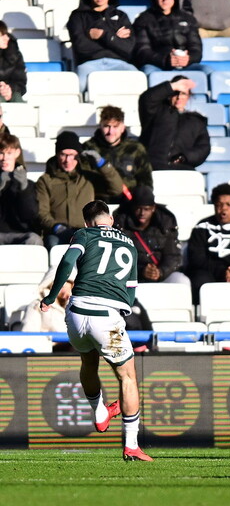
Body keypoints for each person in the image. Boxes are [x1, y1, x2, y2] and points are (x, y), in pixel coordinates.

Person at [40, 200, 152, 461]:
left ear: (87, 222)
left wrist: (51, 297)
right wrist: (122, 312)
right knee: (127, 378)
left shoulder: (84, 234)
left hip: (76, 313)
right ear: (110, 219)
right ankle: (131, 444)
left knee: (88, 362)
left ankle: (99, 410)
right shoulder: (129, 242)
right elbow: (131, 289)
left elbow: (67, 261)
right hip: (107, 318)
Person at [37, 131, 124, 249]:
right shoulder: (45, 180)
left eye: (72, 155)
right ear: (57, 155)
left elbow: (116, 188)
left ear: (78, 155)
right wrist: (56, 227)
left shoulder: (88, 178)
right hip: (57, 234)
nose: (67, 160)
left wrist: (102, 164)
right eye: (63, 154)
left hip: (86, 231)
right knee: (53, 243)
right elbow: (42, 212)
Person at [67, 0, 138, 92]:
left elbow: (128, 48)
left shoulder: (121, 16)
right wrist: (115, 39)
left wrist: (104, 36)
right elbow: (81, 47)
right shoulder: (77, 16)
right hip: (89, 64)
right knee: (78, 86)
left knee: (138, 80)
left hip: (119, 63)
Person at [113, 185, 189, 285]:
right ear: (132, 207)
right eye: (138, 208)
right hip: (131, 276)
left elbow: (173, 255)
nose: (142, 213)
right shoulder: (120, 224)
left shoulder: (166, 223)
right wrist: (140, 271)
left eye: (146, 209)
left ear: (153, 208)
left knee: (181, 281)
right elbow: (116, 258)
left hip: (161, 274)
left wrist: (160, 272)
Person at [138, 76, 211, 171]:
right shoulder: (156, 112)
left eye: (183, 94)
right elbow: (146, 99)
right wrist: (172, 86)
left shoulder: (196, 122)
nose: (179, 97)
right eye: (175, 93)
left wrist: (185, 157)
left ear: (188, 96)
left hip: (182, 170)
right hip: (151, 168)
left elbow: (203, 148)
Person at [83, 106, 153, 202]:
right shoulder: (89, 148)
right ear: (100, 126)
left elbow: (145, 180)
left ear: (122, 128)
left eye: (115, 127)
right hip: (98, 203)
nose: (110, 132)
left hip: (128, 204)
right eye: (106, 126)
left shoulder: (135, 149)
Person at [132, 0, 203, 72]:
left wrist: (189, 58)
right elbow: (142, 51)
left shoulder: (188, 19)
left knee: (206, 70)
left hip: (185, 65)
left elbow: (196, 48)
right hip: (156, 65)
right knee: (148, 71)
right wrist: (165, 60)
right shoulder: (144, 19)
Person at [0, 134, 41, 246]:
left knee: (34, 239)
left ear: (17, 153)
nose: (4, 158)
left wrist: (24, 189)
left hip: (21, 234)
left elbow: (30, 216)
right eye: (1, 153)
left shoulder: (29, 184)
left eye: (9, 153)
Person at [19, 264, 73, 333]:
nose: (63, 291)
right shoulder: (36, 306)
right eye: (59, 287)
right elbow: (29, 333)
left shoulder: (75, 306)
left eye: (64, 286)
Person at [0, 22, 27, 103]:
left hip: (11, 95)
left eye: (6, 34)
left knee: (17, 97)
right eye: (2, 35)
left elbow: (21, 83)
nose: (7, 38)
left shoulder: (14, 54)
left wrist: (9, 90)